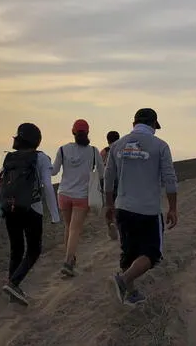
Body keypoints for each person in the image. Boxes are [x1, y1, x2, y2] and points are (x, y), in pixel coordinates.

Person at [104, 108, 178, 306]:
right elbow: (170, 179)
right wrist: (172, 208)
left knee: (129, 251)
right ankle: (123, 280)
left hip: (123, 207)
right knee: (152, 254)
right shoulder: (160, 146)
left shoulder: (117, 146)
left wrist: (109, 205)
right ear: (153, 125)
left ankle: (131, 294)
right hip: (148, 210)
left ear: (133, 123)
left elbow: (108, 179)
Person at [0, 122, 61, 306]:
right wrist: (55, 214)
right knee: (34, 249)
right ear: (37, 140)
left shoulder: (10, 158)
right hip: (32, 209)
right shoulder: (41, 158)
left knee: (16, 249)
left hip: (10, 208)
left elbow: (1, 184)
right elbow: (47, 186)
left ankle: (12, 289)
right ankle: (13, 283)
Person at [52, 119, 105, 277]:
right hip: (82, 196)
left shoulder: (62, 150)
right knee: (75, 229)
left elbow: (53, 171)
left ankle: (70, 258)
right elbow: (102, 174)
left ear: (73, 132)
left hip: (63, 194)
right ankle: (68, 262)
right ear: (88, 132)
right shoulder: (94, 151)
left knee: (68, 227)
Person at [100, 130, 121, 240]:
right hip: (119, 180)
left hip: (106, 181)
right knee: (118, 203)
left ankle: (110, 224)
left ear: (107, 140)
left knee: (108, 204)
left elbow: (98, 166)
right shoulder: (121, 150)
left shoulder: (104, 151)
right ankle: (118, 223)